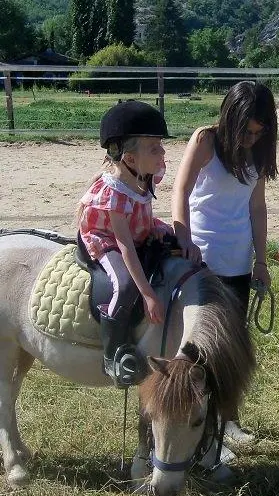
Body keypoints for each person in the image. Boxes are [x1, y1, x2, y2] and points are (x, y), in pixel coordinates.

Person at [172, 80, 278, 442]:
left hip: (238, 265)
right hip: (201, 264)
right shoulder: (205, 140)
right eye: (247, 131)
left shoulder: (258, 153)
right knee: (202, 352)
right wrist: (183, 237)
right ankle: (202, 430)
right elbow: (181, 190)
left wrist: (261, 261)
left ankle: (227, 422)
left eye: (260, 131)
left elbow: (257, 207)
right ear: (231, 119)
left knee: (231, 349)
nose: (253, 137)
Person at [78, 100, 171, 388]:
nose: (163, 152)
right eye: (154, 148)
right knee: (125, 285)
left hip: (138, 228)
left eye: (161, 146)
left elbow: (143, 212)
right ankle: (114, 354)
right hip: (106, 238)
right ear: (130, 160)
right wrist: (149, 295)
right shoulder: (114, 193)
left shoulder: (145, 174)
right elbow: (125, 246)